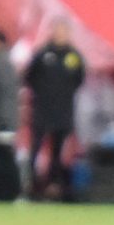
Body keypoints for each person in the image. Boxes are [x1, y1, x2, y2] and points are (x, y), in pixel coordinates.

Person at [22, 20, 85, 201]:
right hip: (42, 110)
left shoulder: (73, 57)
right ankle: (31, 186)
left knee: (58, 152)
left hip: (63, 112)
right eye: (57, 30)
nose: (60, 34)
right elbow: (29, 77)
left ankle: (53, 187)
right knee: (35, 148)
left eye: (64, 31)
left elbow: (79, 79)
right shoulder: (43, 54)